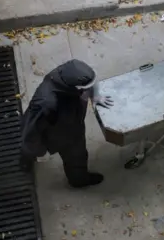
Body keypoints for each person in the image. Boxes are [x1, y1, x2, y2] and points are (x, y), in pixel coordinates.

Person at [20, 59, 113, 187]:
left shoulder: (69, 75)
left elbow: (91, 83)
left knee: (75, 154)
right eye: (86, 89)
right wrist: (39, 151)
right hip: (60, 133)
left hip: (72, 121)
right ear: (76, 88)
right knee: (76, 156)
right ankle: (78, 180)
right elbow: (32, 129)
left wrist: (96, 95)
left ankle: (26, 158)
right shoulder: (46, 103)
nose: (89, 90)